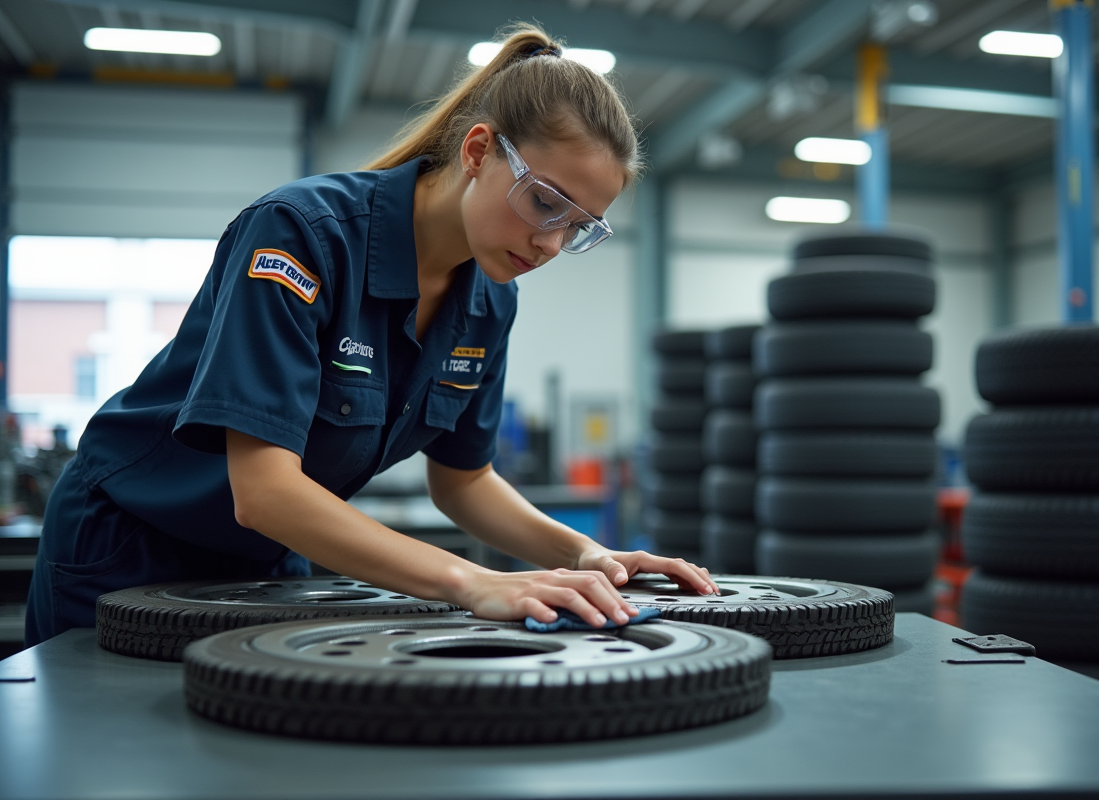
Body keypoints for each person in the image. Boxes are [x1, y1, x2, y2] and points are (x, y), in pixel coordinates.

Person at [25, 24, 718, 647]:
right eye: (544, 202)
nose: (549, 242)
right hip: (127, 541)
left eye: (579, 229)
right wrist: (473, 582)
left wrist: (586, 554)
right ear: (478, 150)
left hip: (264, 555)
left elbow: (465, 481)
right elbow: (263, 490)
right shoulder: (302, 235)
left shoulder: (489, 300)